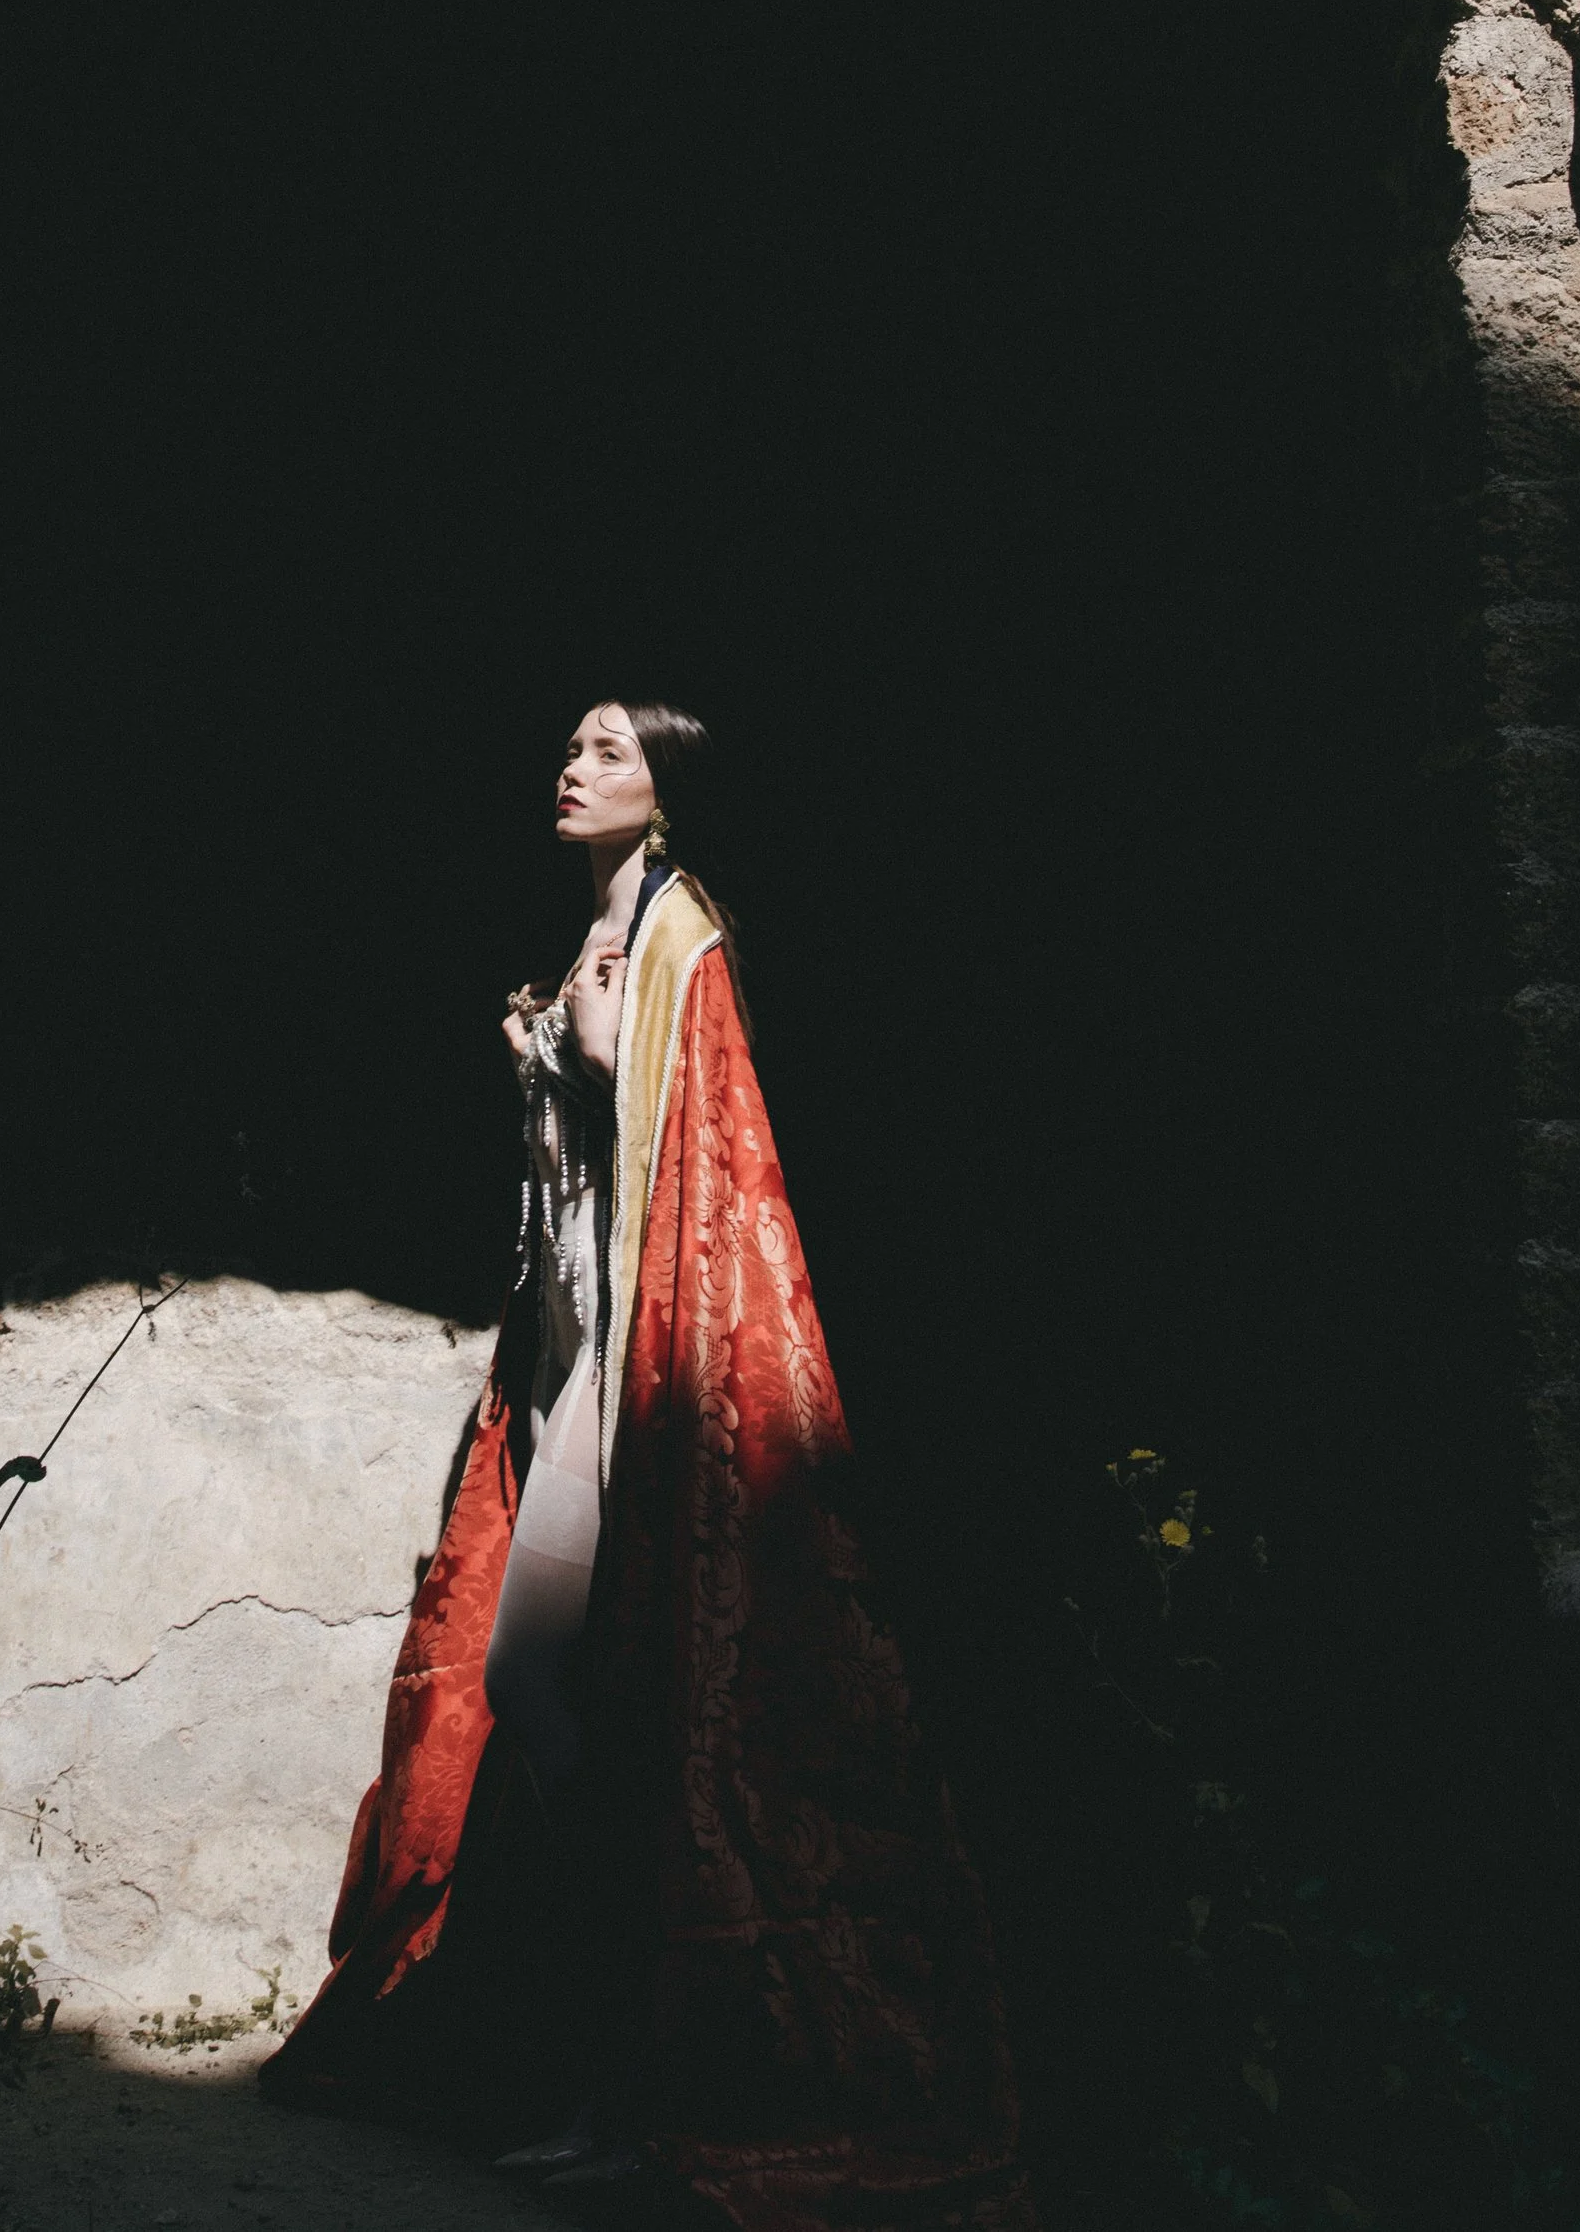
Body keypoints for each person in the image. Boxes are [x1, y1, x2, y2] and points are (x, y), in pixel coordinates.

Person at [265, 702, 1035, 2232]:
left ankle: (634, 2096)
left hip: (642, 1382)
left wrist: (602, 1064)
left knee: (571, 1701)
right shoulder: (605, 931)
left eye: (608, 750)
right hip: (573, 1370)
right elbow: (584, 1186)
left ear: (668, 788)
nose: (572, 765)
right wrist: (548, 1072)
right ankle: (599, 2082)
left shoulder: (685, 943)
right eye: (569, 744)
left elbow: (696, 1185)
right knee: (568, 1707)